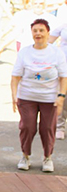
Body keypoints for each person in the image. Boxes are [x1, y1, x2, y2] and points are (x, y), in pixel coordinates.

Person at [13, 19, 67, 172]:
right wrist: (13, 95)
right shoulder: (25, 52)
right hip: (27, 96)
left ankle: (47, 157)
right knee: (27, 127)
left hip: (49, 98)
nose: (38, 34)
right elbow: (15, 76)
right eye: (35, 31)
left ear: (48, 32)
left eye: (41, 30)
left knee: (47, 129)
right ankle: (25, 155)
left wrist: (61, 96)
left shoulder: (57, 53)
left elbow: (64, 77)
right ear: (31, 33)